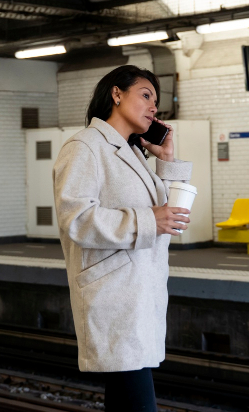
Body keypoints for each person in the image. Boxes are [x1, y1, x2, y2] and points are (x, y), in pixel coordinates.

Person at [53, 65, 192, 411]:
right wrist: (148, 220)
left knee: (127, 399)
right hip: (113, 295)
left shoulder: (131, 153)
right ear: (116, 94)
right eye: (145, 95)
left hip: (138, 292)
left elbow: (169, 219)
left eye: (155, 102)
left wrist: (168, 162)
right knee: (137, 401)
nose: (152, 108)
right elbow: (77, 219)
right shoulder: (85, 147)